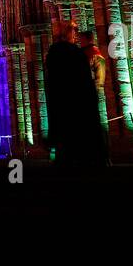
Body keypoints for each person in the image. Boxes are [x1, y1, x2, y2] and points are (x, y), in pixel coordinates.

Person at [45, 20, 93, 166]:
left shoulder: (55, 52)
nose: (75, 34)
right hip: (72, 101)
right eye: (73, 30)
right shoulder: (74, 53)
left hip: (62, 102)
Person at [78, 30, 110, 165]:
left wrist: (94, 90)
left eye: (81, 39)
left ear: (87, 39)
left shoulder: (94, 54)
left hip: (91, 95)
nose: (79, 42)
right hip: (86, 94)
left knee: (97, 126)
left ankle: (102, 157)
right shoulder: (84, 53)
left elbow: (99, 78)